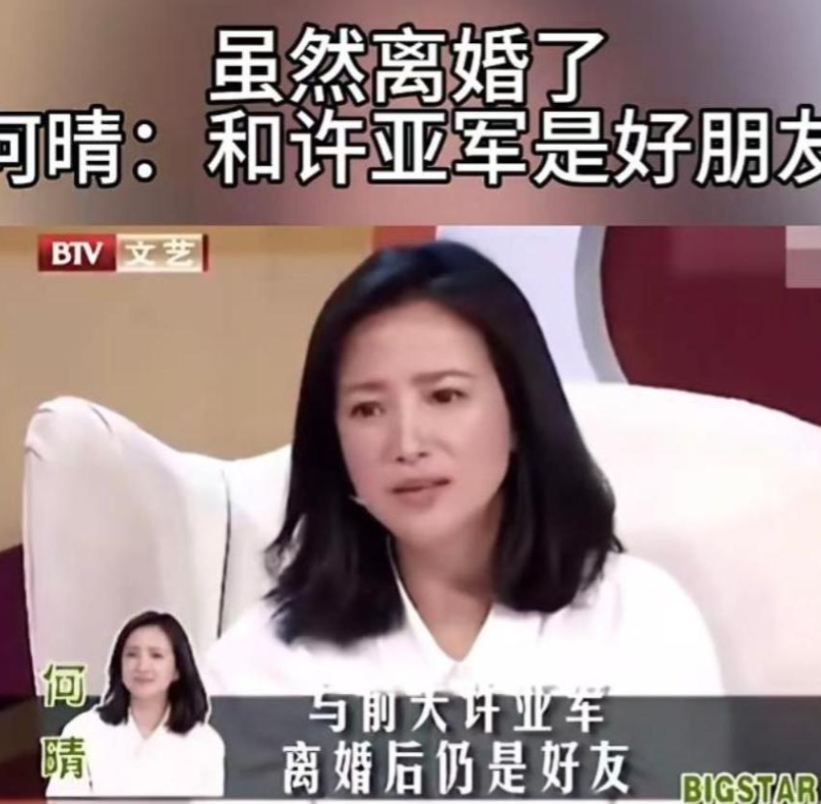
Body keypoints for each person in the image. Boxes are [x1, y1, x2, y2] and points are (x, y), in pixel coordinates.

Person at [206, 240, 723, 697]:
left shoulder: (638, 619)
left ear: (519, 412)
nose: (407, 444)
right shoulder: (262, 662)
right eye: (367, 409)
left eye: (445, 396)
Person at [46, 610, 225, 798]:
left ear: (177, 670)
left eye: (156, 655)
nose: (142, 666)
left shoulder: (205, 742)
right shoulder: (81, 731)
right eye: (132, 655)